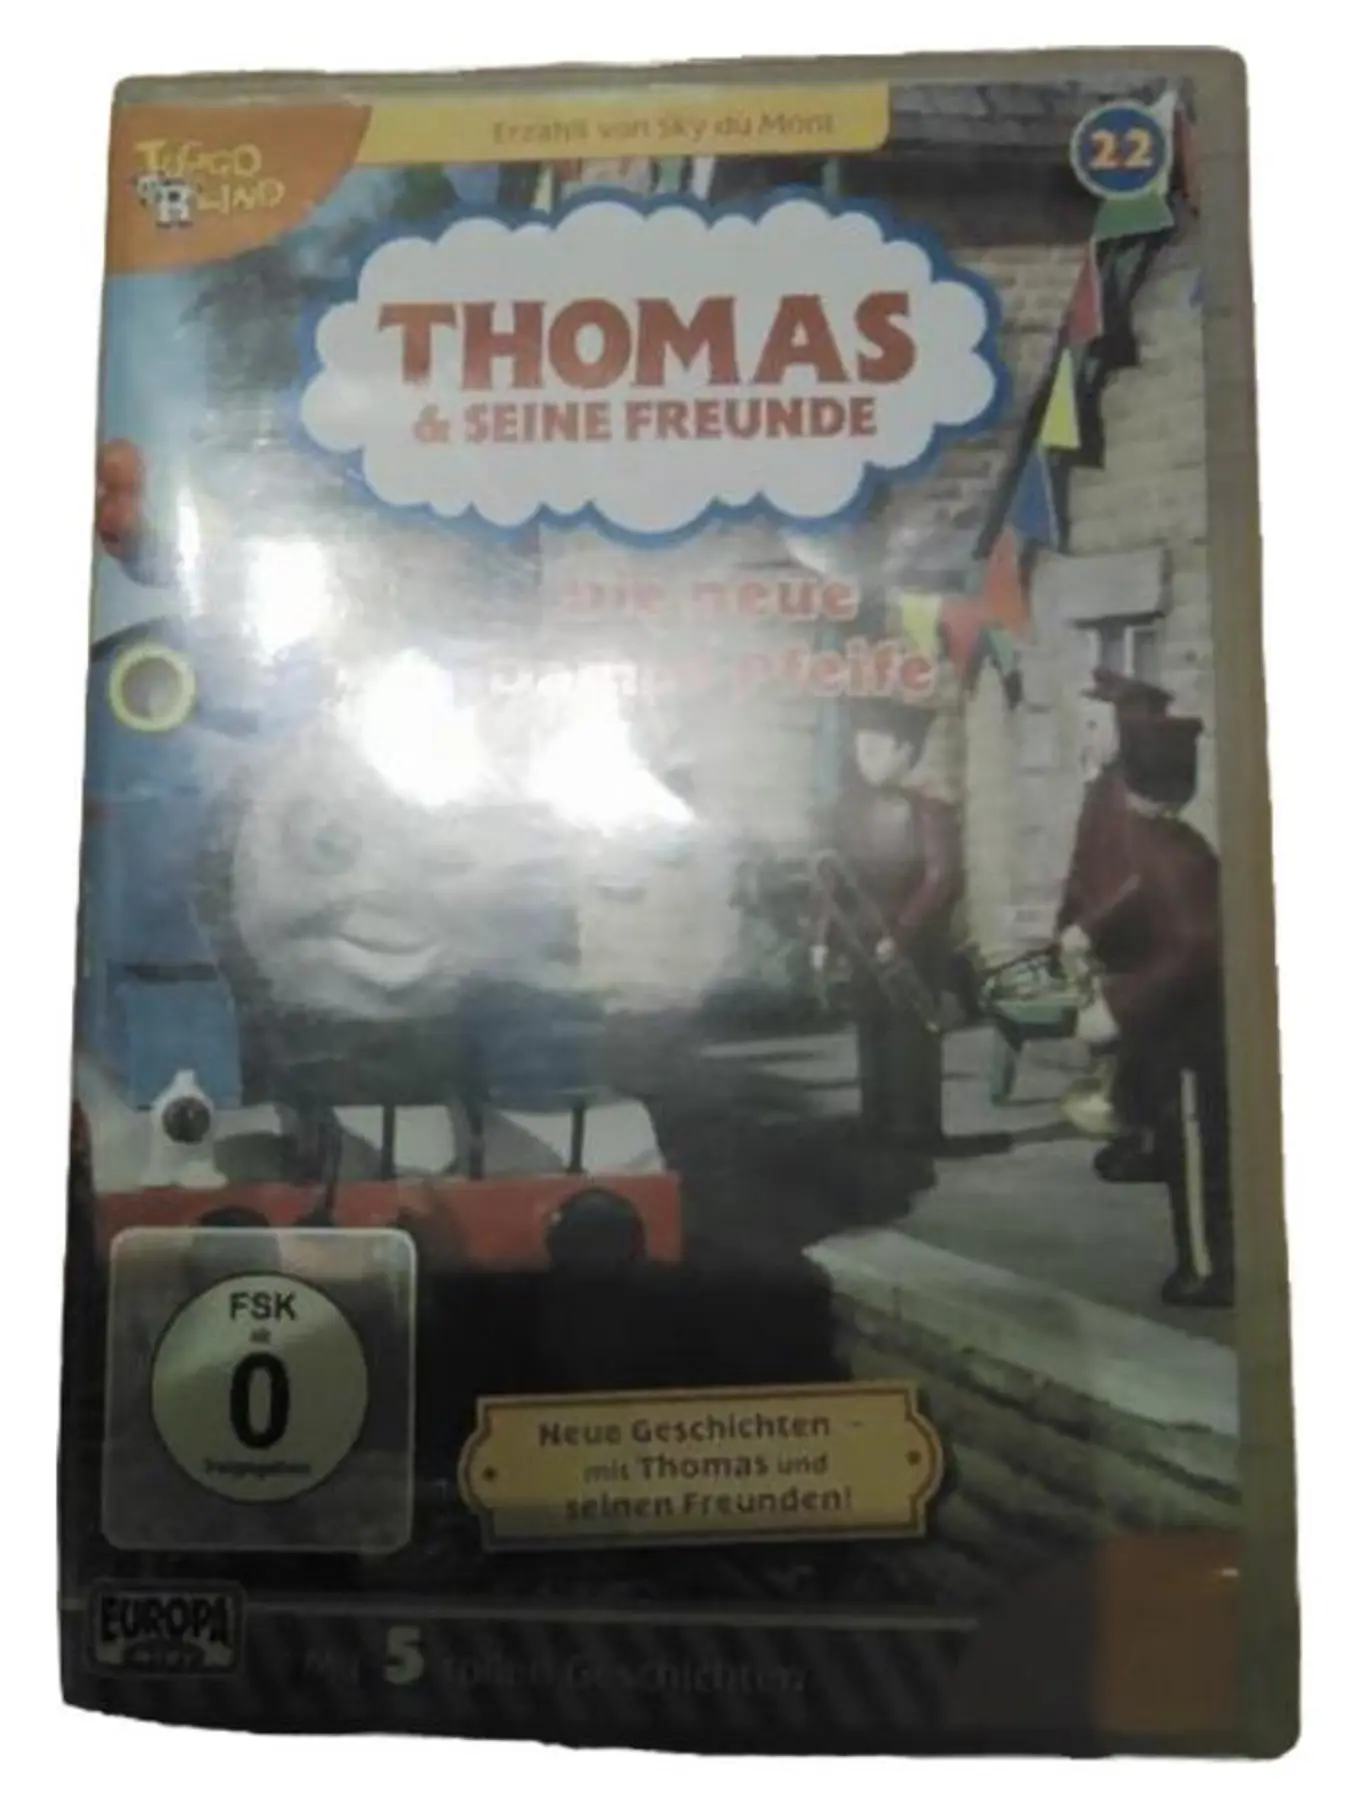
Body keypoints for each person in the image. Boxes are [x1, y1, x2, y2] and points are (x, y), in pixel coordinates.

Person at [1068, 713, 1233, 1308]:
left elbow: (1195, 945)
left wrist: (1118, 1006)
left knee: (1196, 1148)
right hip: (1176, 1020)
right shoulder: (1170, 841)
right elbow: (1136, 891)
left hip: (1192, 1026)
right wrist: (1090, 929)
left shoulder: (1171, 851)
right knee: (1185, 1138)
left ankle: (1209, 1269)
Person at [811, 697, 964, 1151]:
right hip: (862, 938)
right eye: (861, 749)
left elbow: (941, 877)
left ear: (906, 752)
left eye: (878, 749)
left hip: (911, 946)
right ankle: (875, 1120)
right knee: (871, 1030)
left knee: (911, 1035)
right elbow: (832, 876)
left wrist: (903, 933)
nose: (866, 759)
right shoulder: (848, 810)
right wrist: (822, 938)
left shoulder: (929, 811)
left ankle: (916, 1128)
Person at [1057, 668, 1173, 1182]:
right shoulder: (1101, 786)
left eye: (1093, 725)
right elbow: (1084, 862)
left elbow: (1137, 875)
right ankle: (1130, 1132)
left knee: (1140, 1038)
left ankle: (1150, 1141)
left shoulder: (1128, 790)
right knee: (1116, 1041)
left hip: (1133, 931)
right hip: (1105, 930)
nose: (1083, 737)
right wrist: (1068, 917)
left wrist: (1091, 924)